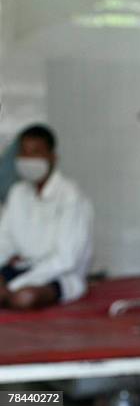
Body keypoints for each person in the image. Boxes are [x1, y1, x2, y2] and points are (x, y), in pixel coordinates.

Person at [0, 124, 93, 309]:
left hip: (59, 275)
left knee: (25, 298)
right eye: (23, 153)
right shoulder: (18, 192)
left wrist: (14, 286)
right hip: (22, 267)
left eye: (35, 152)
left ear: (53, 157)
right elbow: (4, 240)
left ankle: (9, 296)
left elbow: (66, 260)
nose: (28, 159)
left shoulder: (70, 196)